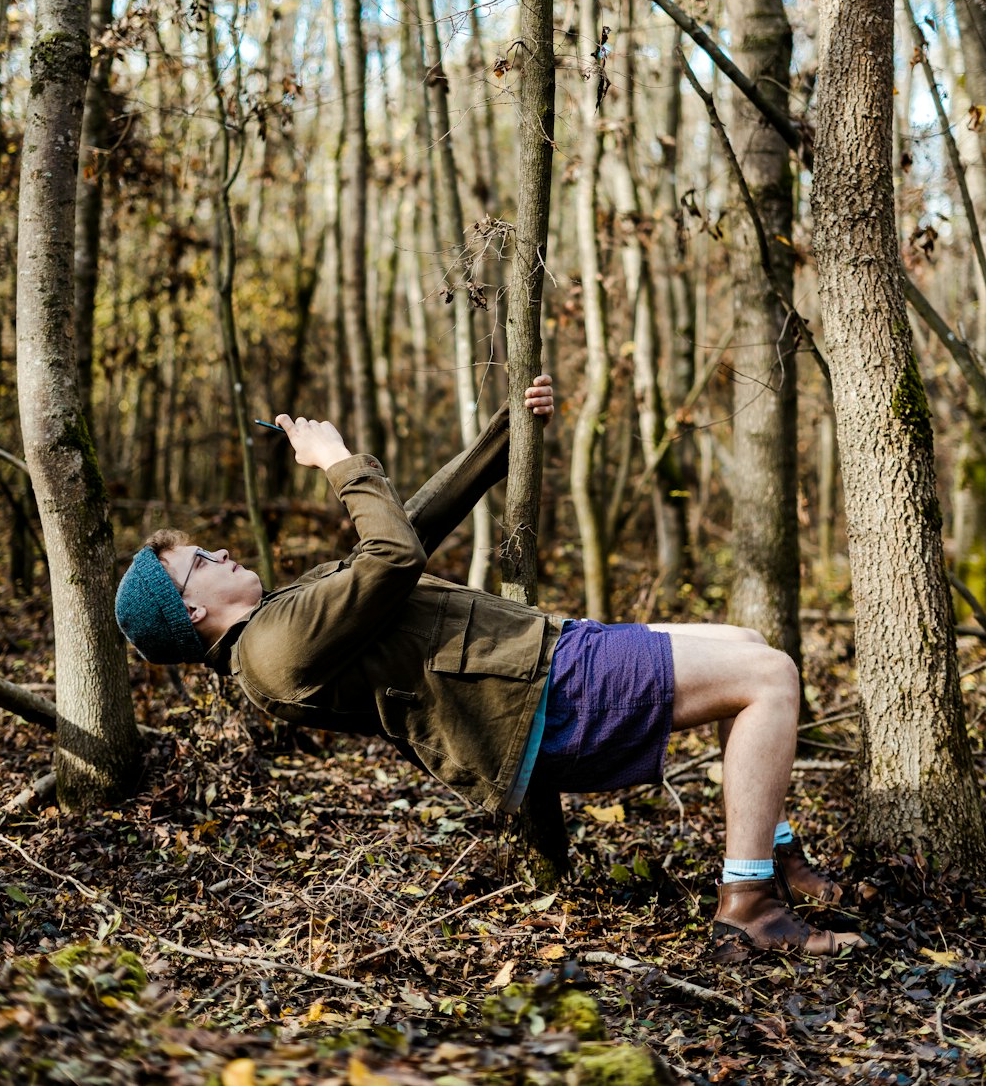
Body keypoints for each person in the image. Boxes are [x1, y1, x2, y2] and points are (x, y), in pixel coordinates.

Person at [115, 376, 864, 959]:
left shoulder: (281, 614)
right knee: (770, 679)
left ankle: (768, 847)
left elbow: (406, 531)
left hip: (545, 658)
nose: (220, 554)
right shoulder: (272, 651)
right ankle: (750, 906)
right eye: (200, 563)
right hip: (544, 693)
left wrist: (508, 432)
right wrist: (337, 461)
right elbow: (393, 554)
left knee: (744, 642)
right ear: (190, 613)